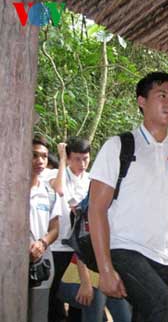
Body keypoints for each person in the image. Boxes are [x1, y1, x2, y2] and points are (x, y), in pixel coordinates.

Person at [88, 72, 168, 321]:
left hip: (163, 256)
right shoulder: (119, 146)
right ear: (142, 101)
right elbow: (96, 209)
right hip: (123, 249)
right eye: (162, 96)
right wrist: (105, 268)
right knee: (167, 309)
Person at [48, 137, 92, 322]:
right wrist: (62, 160)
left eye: (86, 158)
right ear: (68, 157)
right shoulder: (57, 174)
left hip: (81, 247)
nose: (82, 164)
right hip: (59, 246)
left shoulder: (91, 180)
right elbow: (58, 189)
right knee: (54, 294)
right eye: (76, 159)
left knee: (78, 296)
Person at [29, 137, 61, 322]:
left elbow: (55, 228)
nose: (40, 161)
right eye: (34, 155)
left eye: (44, 156)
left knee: (38, 314)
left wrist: (42, 243)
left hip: (40, 264)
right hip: (11, 264)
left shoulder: (49, 193)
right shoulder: (9, 189)